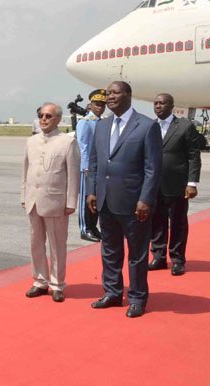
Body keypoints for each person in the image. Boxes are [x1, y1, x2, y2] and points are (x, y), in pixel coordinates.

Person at [86, 81, 162, 318]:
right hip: (106, 200)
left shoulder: (146, 126)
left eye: (116, 93)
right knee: (110, 250)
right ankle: (113, 292)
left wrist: (146, 199)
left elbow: (153, 168)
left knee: (137, 254)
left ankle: (138, 297)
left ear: (129, 95)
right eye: (108, 93)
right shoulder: (102, 126)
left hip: (134, 204)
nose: (110, 97)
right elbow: (94, 162)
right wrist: (91, 191)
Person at [21, 103, 79, 302]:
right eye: (41, 115)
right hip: (33, 201)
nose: (43, 119)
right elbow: (25, 170)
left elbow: (73, 175)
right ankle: (39, 281)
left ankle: (56, 284)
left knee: (57, 245)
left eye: (48, 116)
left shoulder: (67, 142)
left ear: (57, 119)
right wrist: (24, 196)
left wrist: (71, 201)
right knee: (36, 243)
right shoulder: (31, 141)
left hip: (56, 202)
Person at [149, 93, 202, 276]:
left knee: (178, 222)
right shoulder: (150, 126)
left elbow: (194, 156)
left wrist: (192, 182)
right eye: (156, 103)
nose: (158, 106)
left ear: (171, 106)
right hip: (154, 185)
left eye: (162, 103)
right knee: (156, 222)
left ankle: (178, 259)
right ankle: (159, 257)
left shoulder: (185, 126)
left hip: (177, 185)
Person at [75, 90, 106, 242]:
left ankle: (93, 227)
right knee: (85, 199)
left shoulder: (101, 122)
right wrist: (86, 167)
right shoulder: (85, 122)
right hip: (87, 168)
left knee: (96, 199)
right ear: (90, 105)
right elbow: (83, 146)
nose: (100, 107)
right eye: (97, 104)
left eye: (102, 105)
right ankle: (84, 229)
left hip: (99, 167)